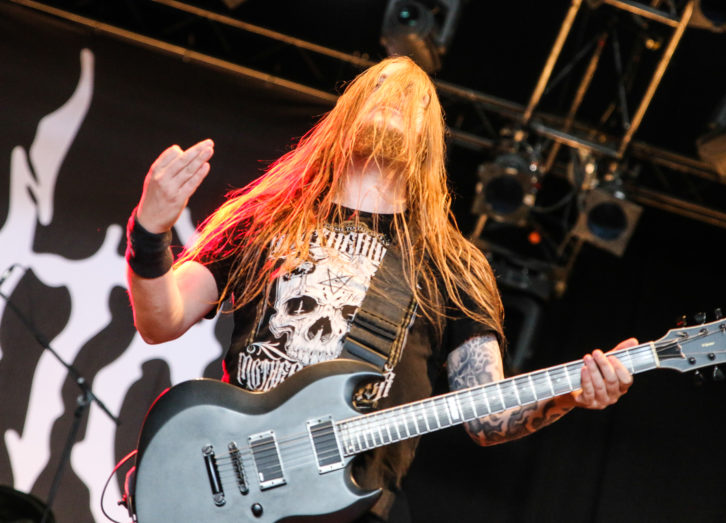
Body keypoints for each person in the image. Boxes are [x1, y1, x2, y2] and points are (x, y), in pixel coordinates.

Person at [125, 56, 635, 522]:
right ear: (348, 107)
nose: (396, 97)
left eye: (415, 99)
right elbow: (161, 320)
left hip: (355, 508)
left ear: (429, 137)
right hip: (237, 496)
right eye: (381, 85)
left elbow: (490, 418)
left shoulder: (452, 266)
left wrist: (572, 393)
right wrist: (149, 233)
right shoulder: (263, 218)